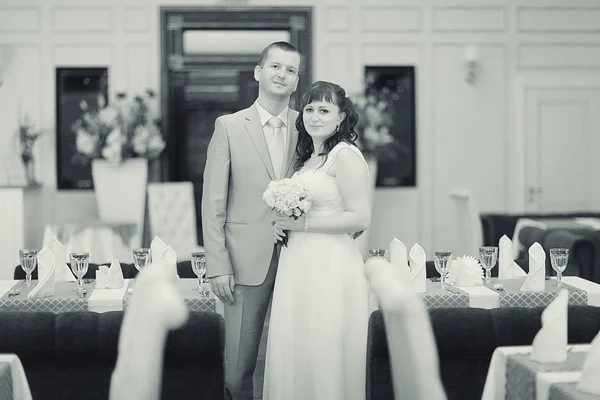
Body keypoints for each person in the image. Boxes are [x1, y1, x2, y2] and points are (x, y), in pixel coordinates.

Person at [201, 41, 301, 400]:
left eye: (290, 70)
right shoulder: (228, 126)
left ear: (296, 81)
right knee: (238, 368)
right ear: (259, 73)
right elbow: (212, 201)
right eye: (275, 67)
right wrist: (217, 264)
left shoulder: (310, 126)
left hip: (301, 258)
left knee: (297, 359)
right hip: (243, 261)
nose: (282, 75)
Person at [263, 81, 372, 400]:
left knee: (325, 347)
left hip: (330, 264)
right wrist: (280, 226)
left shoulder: (346, 156)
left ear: (341, 118)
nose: (314, 116)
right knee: (301, 344)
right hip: (298, 264)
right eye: (309, 109)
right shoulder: (307, 159)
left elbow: (360, 217)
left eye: (324, 110)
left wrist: (304, 223)